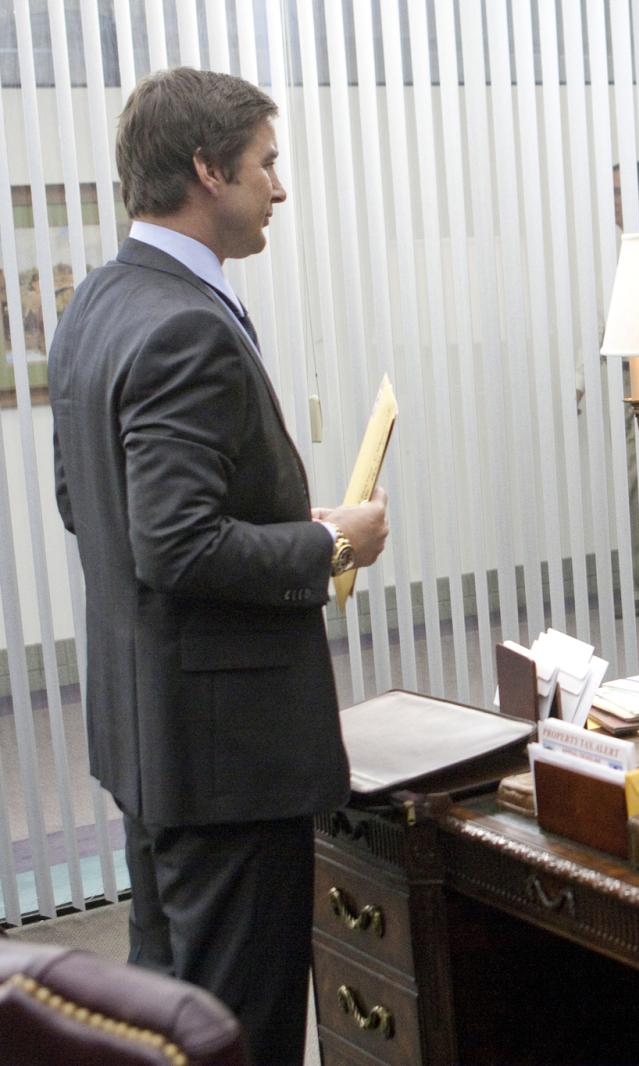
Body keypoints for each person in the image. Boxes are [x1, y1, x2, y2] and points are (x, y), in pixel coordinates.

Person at [49, 68, 389, 1065]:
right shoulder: (186, 324)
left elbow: (89, 507)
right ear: (208, 171)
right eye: (265, 164)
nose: (279, 187)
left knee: (168, 1020)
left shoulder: (99, 301)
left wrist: (275, 519)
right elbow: (176, 543)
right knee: (238, 1028)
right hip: (227, 765)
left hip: (150, 738)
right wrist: (330, 544)